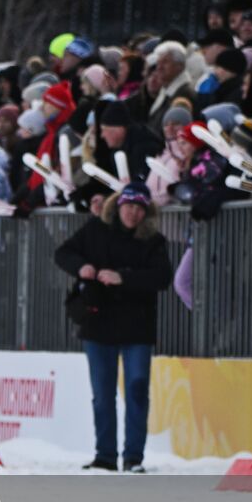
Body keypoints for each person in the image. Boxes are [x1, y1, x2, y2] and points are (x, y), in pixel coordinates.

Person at [53, 183, 172, 473]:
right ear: (118, 206)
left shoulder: (154, 240)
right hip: (99, 324)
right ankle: (104, 456)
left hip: (137, 326)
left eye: (140, 208)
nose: (133, 213)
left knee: (136, 388)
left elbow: (162, 277)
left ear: (146, 212)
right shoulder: (96, 230)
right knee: (103, 393)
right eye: (129, 206)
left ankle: (133, 457)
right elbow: (63, 253)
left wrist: (124, 278)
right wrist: (81, 267)